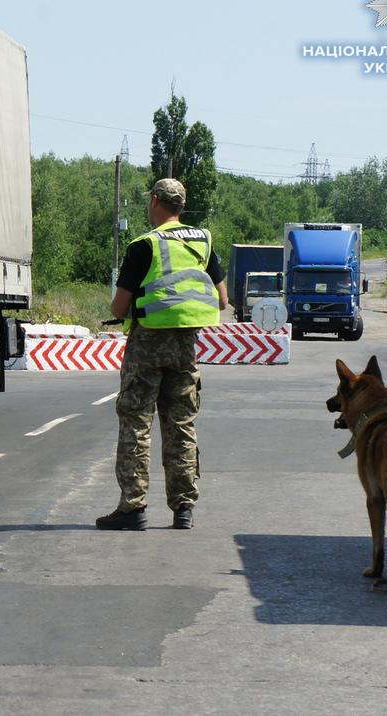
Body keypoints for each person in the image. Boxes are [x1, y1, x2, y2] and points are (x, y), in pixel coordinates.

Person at [96, 179, 228, 531]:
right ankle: (183, 508)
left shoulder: (144, 245)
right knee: (181, 424)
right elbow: (223, 300)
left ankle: (133, 507)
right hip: (186, 346)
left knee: (137, 423)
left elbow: (120, 306)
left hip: (147, 345)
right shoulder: (203, 241)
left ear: (155, 201)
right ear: (181, 206)